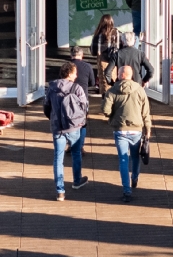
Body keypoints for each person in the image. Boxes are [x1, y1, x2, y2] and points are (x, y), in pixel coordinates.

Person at [103, 65, 152, 203]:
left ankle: (127, 190)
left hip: (120, 130)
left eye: (118, 73)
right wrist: (148, 129)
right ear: (131, 75)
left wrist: (113, 115)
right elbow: (146, 113)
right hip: (136, 129)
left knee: (123, 160)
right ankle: (135, 178)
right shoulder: (140, 90)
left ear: (121, 75)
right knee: (135, 157)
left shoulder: (112, 90)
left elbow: (106, 110)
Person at [43, 62, 89, 201]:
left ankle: (60, 191)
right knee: (76, 153)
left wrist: (53, 118)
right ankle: (76, 181)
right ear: (69, 73)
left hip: (57, 127)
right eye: (75, 73)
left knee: (58, 158)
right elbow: (85, 107)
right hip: (74, 126)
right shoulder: (77, 88)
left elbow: (46, 107)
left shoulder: (51, 87)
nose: (76, 75)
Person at [90, 15, 119, 95]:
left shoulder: (97, 34)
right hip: (114, 60)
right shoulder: (116, 32)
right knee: (113, 78)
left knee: (103, 80)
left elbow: (93, 51)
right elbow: (119, 47)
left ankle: (104, 97)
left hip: (102, 60)